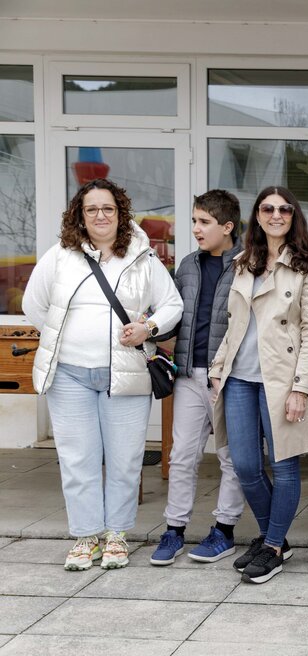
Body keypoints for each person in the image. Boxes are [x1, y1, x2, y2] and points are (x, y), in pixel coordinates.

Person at [23, 178, 183, 571]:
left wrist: (148, 329)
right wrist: (66, 337)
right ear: (80, 215)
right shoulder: (61, 256)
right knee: (78, 460)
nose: (100, 215)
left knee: (125, 460)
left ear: (120, 213)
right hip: (69, 375)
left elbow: (172, 305)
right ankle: (85, 536)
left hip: (125, 374)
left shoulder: (142, 257)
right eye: (91, 209)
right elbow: (34, 304)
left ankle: (116, 535)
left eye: (108, 208)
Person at [209, 186, 308, 584]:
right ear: (257, 216)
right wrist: (218, 368)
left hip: (282, 379)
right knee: (244, 465)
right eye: (267, 208)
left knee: (284, 465)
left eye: (284, 209)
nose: (276, 215)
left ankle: (273, 547)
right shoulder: (243, 261)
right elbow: (233, 324)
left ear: (294, 216)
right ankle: (273, 538)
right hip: (239, 378)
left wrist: (301, 388)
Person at [149, 190, 245, 566]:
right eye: (194, 221)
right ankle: (174, 530)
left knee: (231, 458)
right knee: (182, 456)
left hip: (230, 378)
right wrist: (150, 326)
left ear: (228, 226)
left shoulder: (248, 264)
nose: (195, 229)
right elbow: (173, 315)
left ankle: (224, 530)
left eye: (204, 222)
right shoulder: (188, 265)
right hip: (188, 375)